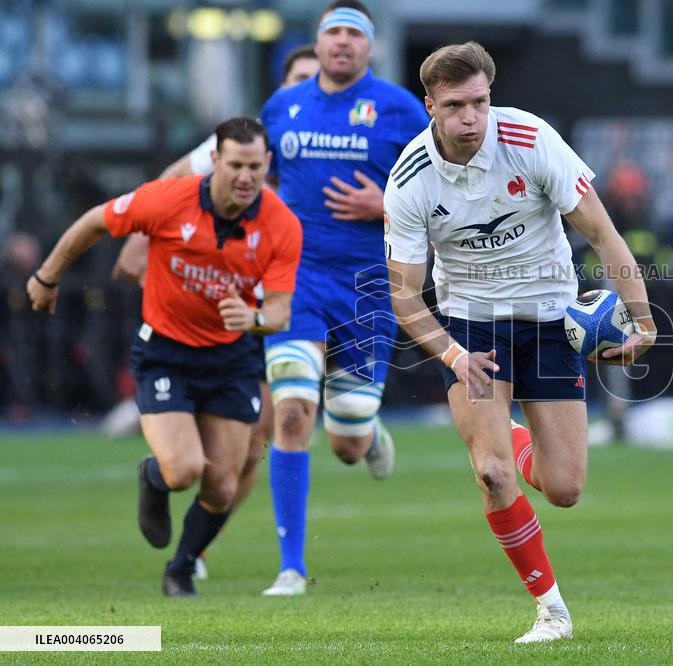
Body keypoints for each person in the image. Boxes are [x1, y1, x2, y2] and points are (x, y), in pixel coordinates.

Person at [383, 42, 656, 643]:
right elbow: (404, 296)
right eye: (455, 106)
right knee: (492, 476)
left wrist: (645, 321)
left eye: (480, 102)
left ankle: (504, 437)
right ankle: (551, 610)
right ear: (429, 105)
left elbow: (604, 235)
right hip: (472, 329)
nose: (471, 118)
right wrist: (453, 356)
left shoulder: (532, 140)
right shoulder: (409, 180)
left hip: (551, 320)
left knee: (564, 489)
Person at [27, 117, 303, 596]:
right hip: (166, 353)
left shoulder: (281, 223)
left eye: (255, 167)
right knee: (182, 471)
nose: (245, 177)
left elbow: (279, 313)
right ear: (215, 161)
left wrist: (253, 317)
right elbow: (95, 220)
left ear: (268, 166)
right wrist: (47, 277)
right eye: (235, 164)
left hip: (231, 359)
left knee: (223, 484)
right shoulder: (167, 199)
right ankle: (153, 479)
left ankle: (181, 568)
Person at [109, 43, 321, 581]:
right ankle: (193, 538)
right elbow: (175, 177)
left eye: (315, 78)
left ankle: (194, 549)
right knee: (266, 428)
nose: (308, 87)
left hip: (304, 286)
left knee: (268, 440)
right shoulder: (258, 132)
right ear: (282, 87)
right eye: (298, 78)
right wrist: (138, 236)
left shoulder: (351, 131)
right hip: (236, 297)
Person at [257, 0, 428, 596]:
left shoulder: (402, 110)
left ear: (370, 48)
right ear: (317, 42)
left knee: (348, 441)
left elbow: (446, 194)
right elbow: (264, 182)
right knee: (292, 408)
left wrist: (384, 204)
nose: (343, 43)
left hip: (367, 288)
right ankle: (292, 568)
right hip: (296, 280)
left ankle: (369, 433)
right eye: (334, 32)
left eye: (356, 34)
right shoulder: (282, 106)